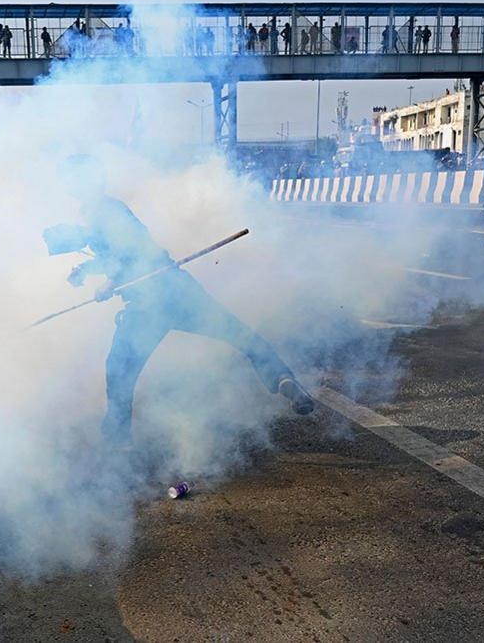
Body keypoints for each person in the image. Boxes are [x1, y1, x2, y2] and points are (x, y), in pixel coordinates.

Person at [43, 158, 315, 449]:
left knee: (119, 370)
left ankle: (116, 440)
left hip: (148, 306)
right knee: (241, 336)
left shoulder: (104, 211)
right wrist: (87, 270)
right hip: (179, 290)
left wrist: (109, 284)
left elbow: (134, 252)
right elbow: (114, 253)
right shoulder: (103, 211)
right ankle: (282, 377)